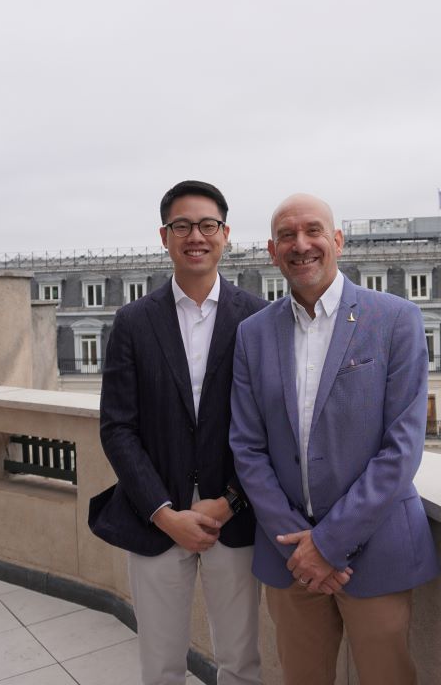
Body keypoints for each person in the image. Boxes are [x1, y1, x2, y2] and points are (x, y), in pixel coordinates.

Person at [229, 193, 439, 685]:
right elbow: (247, 447)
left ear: (338, 241)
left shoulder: (395, 320)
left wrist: (328, 543)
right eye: (287, 235)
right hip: (290, 559)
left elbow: (401, 448)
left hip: (376, 550)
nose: (301, 245)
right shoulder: (252, 334)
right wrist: (299, 549)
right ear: (271, 250)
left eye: (313, 231)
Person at [88, 180, 265, 685]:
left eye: (207, 225)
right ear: (164, 236)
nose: (196, 236)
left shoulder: (256, 318)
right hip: (155, 520)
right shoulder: (132, 322)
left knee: (241, 661)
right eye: (182, 226)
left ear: (225, 234)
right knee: (161, 663)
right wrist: (164, 513)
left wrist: (228, 501)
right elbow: (118, 428)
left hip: (233, 518)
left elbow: (268, 427)